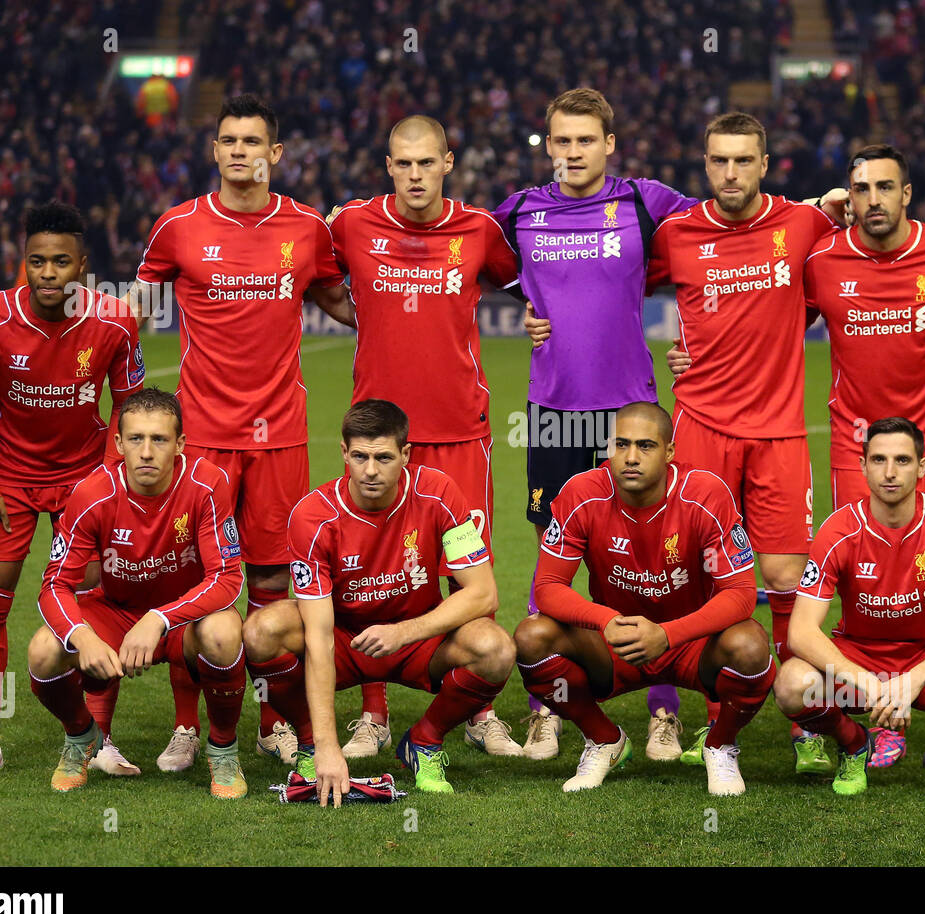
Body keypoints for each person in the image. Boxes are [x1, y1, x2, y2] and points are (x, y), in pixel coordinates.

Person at [132, 93, 354, 770]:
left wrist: (419, 304)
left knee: (269, 585)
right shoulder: (178, 227)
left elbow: (342, 303)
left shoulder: (308, 228)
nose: (238, 151)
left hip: (281, 434)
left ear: (274, 154)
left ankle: (269, 722)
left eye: (251, 141)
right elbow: (132, 313)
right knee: (190, 578)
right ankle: (184, 726)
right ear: (216, 150)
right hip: (199, 436)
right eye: (227, 140)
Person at [498, 88, 698, 761]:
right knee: (549, 560)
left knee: (649, 565)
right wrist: (527, 303)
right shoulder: (521, 212)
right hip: (553, 415)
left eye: (586, 140)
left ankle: (663, 710)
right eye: (562, 140)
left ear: (609, 144)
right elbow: (465, 250)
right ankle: (545, 708)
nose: (573, 152)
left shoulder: (647, 201)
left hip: (628, 411)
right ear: (547, 144)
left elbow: (729, 238)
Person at [646, 111, 840, 771]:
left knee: (787, 576)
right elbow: (613, 287)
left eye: (743, 161)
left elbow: (872, 244)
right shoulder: (676, 233)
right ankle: (713, 721)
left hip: (779, 431)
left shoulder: (805, 224)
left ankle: (803, 720)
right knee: (703, 583)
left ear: (764, 164)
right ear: (706, 166)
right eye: (719, 161)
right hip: (698, 427)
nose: (731, 172)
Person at [326, 115, 523, 758]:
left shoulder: (479, 230)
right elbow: (313, 275)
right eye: (403, 164)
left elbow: (525, 282)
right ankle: (373, 714)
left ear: (448, 162)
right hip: (378, 435)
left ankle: (478, 711)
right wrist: (360, 317)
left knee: (471, 569)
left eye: (426, 163)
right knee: (371, 576)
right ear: (389, 166)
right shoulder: (351, 224)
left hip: (459, 433)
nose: (415, 175)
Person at [0, 201, 143, 780]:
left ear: (82, 265)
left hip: (84, 479)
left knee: (89, 601)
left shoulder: (114, 322)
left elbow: (128, 408)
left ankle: (98, 736)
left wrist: (107, 487)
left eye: (61, 261)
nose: (48, 273)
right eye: (37, 261)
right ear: (23, 263)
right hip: (7, 477)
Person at [802, 143, 925, 770]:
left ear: (907, 194)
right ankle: (877, 719)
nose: (872, 199)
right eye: (861, 188)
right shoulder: (821, 259)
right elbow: (761, 313)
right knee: (862, 593)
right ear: (847, 196)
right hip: (858, 450)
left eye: (885, 187)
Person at [241, 400, 516, 798]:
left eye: (384, 457)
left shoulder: (438, 493)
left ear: (406, 454)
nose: (370, 470)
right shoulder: (312, 517)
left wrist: (404, 632)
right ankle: (308, 744)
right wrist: (328, 745)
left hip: (417, 640)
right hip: (343, 639)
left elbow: (482, 592)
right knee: (262, 631)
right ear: (343, 453)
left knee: (496, 649)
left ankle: (425, 740)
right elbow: (317, 635)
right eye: (360, 457)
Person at [515, 402, 774, 795]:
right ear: (607, 447)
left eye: (646, 446)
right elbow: (548, 586)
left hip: (692, 644)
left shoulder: (704, 494)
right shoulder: (582, 493)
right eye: (620, 444)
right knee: (531, 637)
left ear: (670, 452)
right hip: (617, 641)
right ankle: (605, 739)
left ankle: (720, 746)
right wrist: (604, 621)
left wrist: (668, 634)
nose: (630, 458)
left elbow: (740, 594)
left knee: (751, 645)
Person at [774, 418, 925, 800]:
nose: (890, 472)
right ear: (862, 465)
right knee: (791, 683)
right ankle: (854, 744)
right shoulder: (838, 531)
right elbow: (801, 631)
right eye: (879, 459)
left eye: (903, 460)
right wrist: (869, 682)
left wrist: (913, 679)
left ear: (922, 467)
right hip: (861, 659)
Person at [27, 388, 248, 798]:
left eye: (159, 440)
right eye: (136, 439)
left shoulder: (208, 483)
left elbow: (227, 578)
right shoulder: (91, 493)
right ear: (118, 444)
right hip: (116, 611)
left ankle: (223, 748)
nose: (146, 452)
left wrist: (159, 618)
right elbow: (54, 585)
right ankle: (81, 735)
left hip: (184, 619)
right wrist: (84, 636)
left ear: (180, 444)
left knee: (223, 633)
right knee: (44, 651)